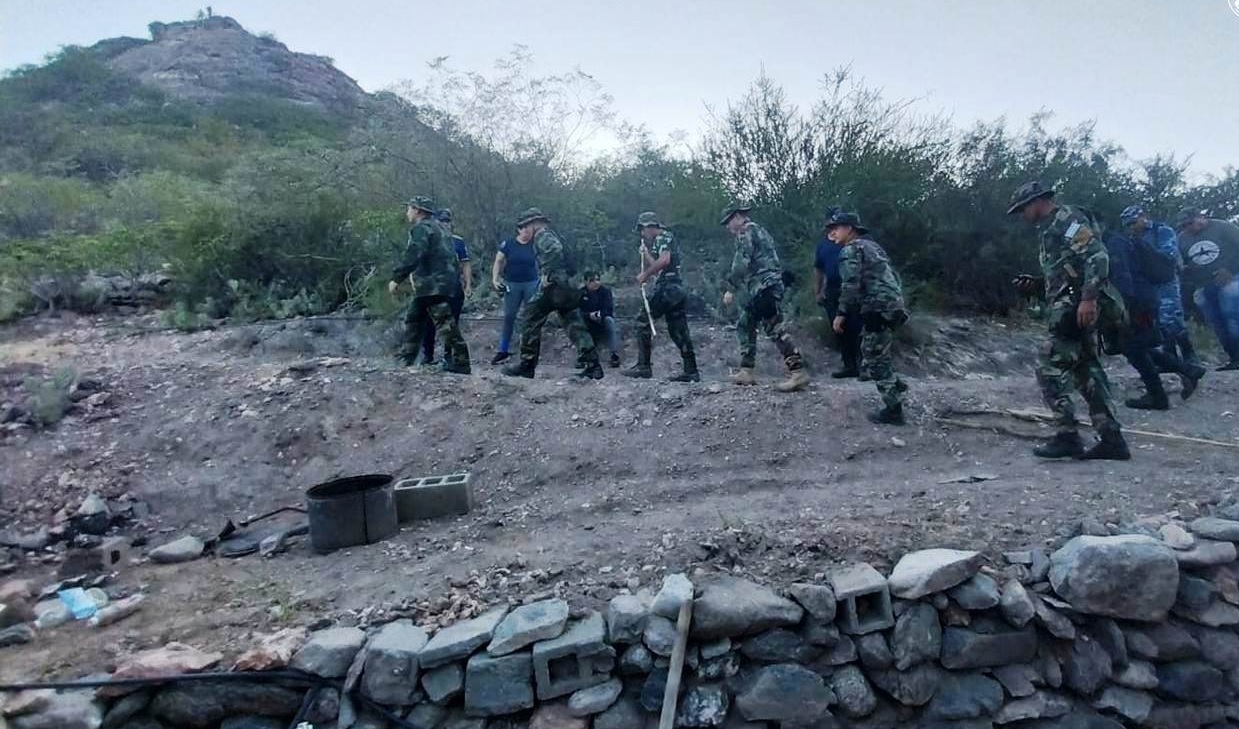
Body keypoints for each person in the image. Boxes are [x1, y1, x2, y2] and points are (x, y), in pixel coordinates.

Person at [1007, 181, 1128, 460]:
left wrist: (1088, 299)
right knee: (1087, 371)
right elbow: (1069, 269)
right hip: (1071, 306)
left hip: (1074, 308)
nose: (1022, 215)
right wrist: (1039, 284)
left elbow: (1097, 255)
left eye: (1023, 209)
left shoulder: (1068, 221)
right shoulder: (1051, 228)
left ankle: (1067, 435)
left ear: (1038, 202)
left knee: (1048, 367)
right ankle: (1112, 438)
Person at [825, 211, 910, 425]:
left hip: (876, 306)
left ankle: (894, 409)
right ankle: (895, 384)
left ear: (849, 229)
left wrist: (841, 314)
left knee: (873, 356)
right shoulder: (872, 247)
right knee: (875, 349)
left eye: (836, 228)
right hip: (893, 304)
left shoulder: (849, 250)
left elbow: (850, 285)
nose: (832, 232)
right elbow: (892, 275)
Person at [1117, 205, 1205, 407]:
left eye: (1134, 222)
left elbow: (1169, 256)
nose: (1132, 227)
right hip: (1148, 285)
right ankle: (1176, 364)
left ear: (1143, 217)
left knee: (1171, 321)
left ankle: (1189, 358)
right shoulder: (1132, 237)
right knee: (1159, 326)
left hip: (1166, 283)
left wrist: (1144, 253)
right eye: (1128, 224)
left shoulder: (1161, 231)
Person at [501, 208, 603, 380]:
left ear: (534, 223)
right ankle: (593, 365)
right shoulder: (555, 234)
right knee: (573, 323)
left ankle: (527, 364)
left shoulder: (542, 235)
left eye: (526, 226)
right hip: (569, 285)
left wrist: (547, 274)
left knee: (530, 317)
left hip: (555, 286)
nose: (525, 230)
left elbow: (554, 251)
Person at [718, 203, 809, 392]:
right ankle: (749, 370)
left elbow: (741, 262)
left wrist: (731, 289)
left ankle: (795, 372)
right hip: (769, 286)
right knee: (758, 325)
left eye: (728, 222)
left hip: (765, 287)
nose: (727, 227)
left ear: (737, 217)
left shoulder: (746, 232)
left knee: (763, 326)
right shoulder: (759, 230)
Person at [389, 196, 470, 374]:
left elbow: (414, 254)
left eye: (409, 208)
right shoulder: (441, 228)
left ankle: (461, 362)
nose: (407, 212)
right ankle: (407, 358)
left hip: (432, 284)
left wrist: (397, 278)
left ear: (418, 211)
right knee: (414, 317)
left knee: (444, 324)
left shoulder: (422, 229)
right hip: (443, 282)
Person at [624, 212, 699, 382]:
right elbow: (661, 266)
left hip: (668, 287)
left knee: (642, 320)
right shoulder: (664, 239)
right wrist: (646, 254)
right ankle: (691, 371)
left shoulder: (662, 237)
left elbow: (664, 261)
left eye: (642, 229)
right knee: (678, 329)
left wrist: (644, 275)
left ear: (649, 226)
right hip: (676, 288)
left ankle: (643, 366)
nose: (642, 234)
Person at [1176, 207, 1239, 370]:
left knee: (1233, 317)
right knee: (1216, 322)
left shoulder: (1223, 227)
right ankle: (1234, 358)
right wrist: (1186, 272)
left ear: (1200, 217)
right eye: (1184, 225)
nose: (1188, 227)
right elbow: (1182, 262)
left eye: (1190, 223)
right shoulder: (1182, 239)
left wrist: (1230, 269)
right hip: (1203, 285)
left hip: (1231, 279)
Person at [813, 211, 863, 379]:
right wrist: (818, 291)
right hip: (833, 290)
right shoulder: (823, 245)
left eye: (837, 225)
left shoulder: (855, 245)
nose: (834, 229)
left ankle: (865, 365)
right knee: (839, 330)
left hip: (853, 289)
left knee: (857, 326)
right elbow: (818, 269)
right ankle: (849, 366)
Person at [419, 208, 471, 365]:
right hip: (433, 288)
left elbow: (465, 264)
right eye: (442, 221)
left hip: (453, 287)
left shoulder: (458, 241)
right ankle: (428, 355)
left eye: (447, 221)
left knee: (452, 323)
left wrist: (468, 284)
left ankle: (449, 355)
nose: (445, 224)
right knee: (429, 322)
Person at [490, 227, 540, 365]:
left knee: (530, 317)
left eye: (530, 230)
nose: (527, 232)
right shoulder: (509, 244)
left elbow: (543, 261)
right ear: (519, 230)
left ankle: (529, 351)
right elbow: (498, 261)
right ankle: (503, 350)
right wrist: (495, 279)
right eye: (525, 229)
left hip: (531, 283)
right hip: (512, 283)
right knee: (509, 316)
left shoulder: (535, 244)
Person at [579, 271, 622, 368]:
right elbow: (578, 312)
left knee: (610, 321)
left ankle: (614, 355)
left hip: (601, 319)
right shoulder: (580, 293)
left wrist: (599, 314)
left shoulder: (605, 292)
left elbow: (609, 309)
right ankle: (583, 356)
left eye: (598, 280)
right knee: (578, 325)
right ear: (586, 282)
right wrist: (589, 315)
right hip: (587, 320)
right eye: (592, 280)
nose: (596, 283)